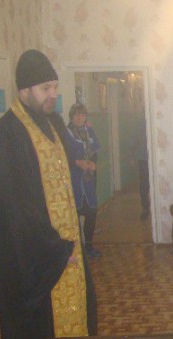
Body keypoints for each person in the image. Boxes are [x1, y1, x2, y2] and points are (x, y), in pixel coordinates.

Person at [0, 49, 97, 339]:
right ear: (24, 89)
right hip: (41, 265)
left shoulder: (53, 124)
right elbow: (15, 211)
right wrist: (56, 252)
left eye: (54, 87)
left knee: (77, 336)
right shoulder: (8, 135)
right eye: (45, 88)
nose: (53, 95)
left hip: (69, 254)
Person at [66, 103, 101, 258]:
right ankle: (77, 248)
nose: (79, 118)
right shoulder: (66, 133)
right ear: (71, 117)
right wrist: (76, 162)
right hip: (74, 178)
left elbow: (94, 151)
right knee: (75, 214)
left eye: (82, 115)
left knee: (91, 212)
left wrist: (93, 163)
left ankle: (89, 246)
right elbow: (62, 156)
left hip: (89, 178)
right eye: (76, 115)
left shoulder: (89, 131)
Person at [134, 123, 150, 220]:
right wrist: (132, 155)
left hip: (154, 159)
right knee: (144, 185)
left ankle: (147, 207)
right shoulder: (139, 124)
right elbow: (134, 141)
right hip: (143, 159)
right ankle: (145, 208)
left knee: (147, 184)